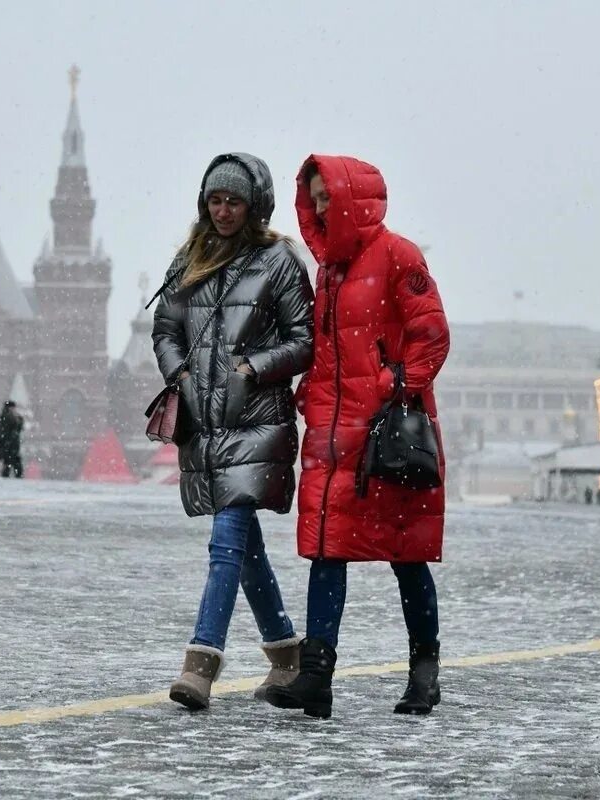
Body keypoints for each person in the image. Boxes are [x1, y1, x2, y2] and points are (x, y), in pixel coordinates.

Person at [265, 155, 451, 719]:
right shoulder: (328, 270)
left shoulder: (399, 255)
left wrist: (397, 382)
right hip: (334, 433)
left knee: (405, 553)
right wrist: (310, 400)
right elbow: (328, 353)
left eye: (327, 197)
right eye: (314, 198)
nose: (320, 208)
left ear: (352, 198)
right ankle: (316, 679)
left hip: (386, 435)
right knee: (328, 549)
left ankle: (424, 674)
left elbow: (432, 333)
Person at [152, 153, 315, 711]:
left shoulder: (278, 262)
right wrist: (179, 372)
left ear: (254, 206)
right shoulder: (189, 259)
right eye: (215, 200)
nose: (222, 211)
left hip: (257, 420)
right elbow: (166, 327)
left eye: (233, 201)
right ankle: (287, 656)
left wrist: (252, 369)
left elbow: (305, 339)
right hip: (203, 422)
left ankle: (201, 665)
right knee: (244, 549)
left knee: (226, 542)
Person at [0, 400, 24, 478]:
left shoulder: (11, 416)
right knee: (11, 464)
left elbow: (18, 428)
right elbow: (3, 431)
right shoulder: (7, 417)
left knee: (10, 464)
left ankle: (11, 478)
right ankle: (13, 478)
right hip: (9, 445)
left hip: (11, 445)